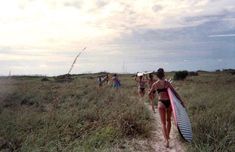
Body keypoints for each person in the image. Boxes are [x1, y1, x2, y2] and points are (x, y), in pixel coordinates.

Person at [148, 68, 184, 148]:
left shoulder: (155, 84)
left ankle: (166, 140)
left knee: (163, 123)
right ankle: (167, 136)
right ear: (163, 74)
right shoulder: (167, 83)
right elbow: (175, 92)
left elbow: (150, 93)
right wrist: (181, 101)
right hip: (169, 103)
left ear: (157, 75)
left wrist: (150, 94)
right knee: (168, 121)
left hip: (161, 103)